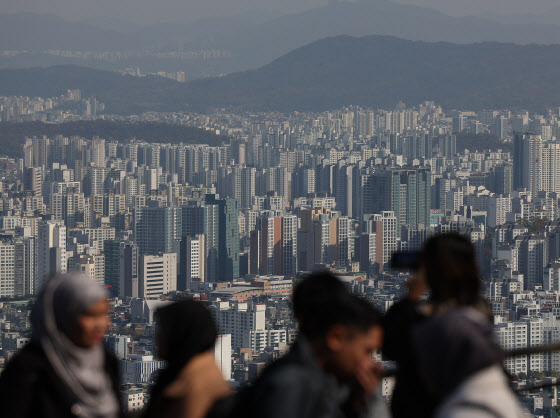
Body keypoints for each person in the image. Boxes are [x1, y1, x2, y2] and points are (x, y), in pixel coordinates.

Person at [383, 233, 525, 418]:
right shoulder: (478, 311)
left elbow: (391, 346)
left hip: (428, 407)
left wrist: (410, 299)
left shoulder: (432, 321)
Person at [230, 272, 389, 418]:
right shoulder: (292, 385)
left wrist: (357, 404)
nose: (371, 362)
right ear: (335, 338)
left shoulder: (322, 381)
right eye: (367, 351)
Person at [0, 273, 122, 418]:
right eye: (90, 315)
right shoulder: (28, 372)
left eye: (104, 314)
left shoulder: (106, 362)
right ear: (64, 314)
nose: (100, 325)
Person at [144, 300, 231, 418]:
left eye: (164, 330)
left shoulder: (194, 389)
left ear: (182, 334)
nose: (157, 336)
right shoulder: (188, 373)